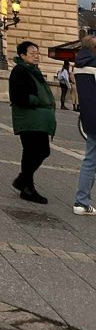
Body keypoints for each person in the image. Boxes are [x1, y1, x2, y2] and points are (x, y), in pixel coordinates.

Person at [9, 40, 56, 203]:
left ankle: (23, 180)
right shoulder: (20, 71)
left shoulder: (32, 70)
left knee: (40, 151)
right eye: (32, 53)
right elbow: (18, 96)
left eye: (37, 53)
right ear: (22, 55)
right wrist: (37, 100)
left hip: (37, 120)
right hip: (29, 118)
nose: (36, 56)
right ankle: (27, 187)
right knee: (33, 151)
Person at [73, 35, 96, 214]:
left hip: (89, 118)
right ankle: (82, 201)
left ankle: (81, 202)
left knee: (89, 160)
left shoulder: (79, 66)